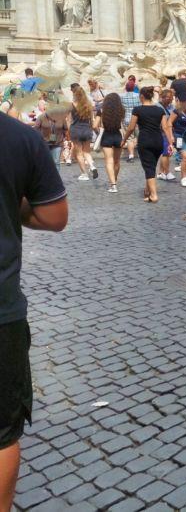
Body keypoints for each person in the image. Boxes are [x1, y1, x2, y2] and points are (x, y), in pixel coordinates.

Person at [0, 111, 68, 512]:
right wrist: (15, 209)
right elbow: (54, 215)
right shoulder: (19, 138)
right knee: (3, 433)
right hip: (1, 312)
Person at [122, 86, 174, 203]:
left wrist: (124, 140)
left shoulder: (137, 110)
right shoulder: (159, 110)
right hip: (158, 141)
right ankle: (147, 191)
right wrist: (170, 142)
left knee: (149, 167)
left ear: (141, 96)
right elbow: (165, 127)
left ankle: (154, 195)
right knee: (151, 166)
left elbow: (131, 128)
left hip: (145, 141)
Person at [66, 85, 98, 181]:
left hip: (76, 130)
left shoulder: (71, 105)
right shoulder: (89, 105)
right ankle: (92, 166)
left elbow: (68, 120)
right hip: (87, 129)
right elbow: (92, 120)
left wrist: (68, 131)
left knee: (79, 154)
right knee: (87, 152)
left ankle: (84, 174)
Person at [97, 93, 125, 193]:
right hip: (118, 136)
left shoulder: (101, 110)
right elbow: (122, 123)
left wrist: (98, 131)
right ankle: (115, 180)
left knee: (109, 161)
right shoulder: (121, 110)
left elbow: (95, 125)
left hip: (107, 136)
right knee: (117, 161)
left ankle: (113, 185)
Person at [33, 105, 66, 169]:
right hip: (44, 143)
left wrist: (63, 138)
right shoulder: (41, 117)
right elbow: (36, 129)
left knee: (56, 162)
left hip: (57, 143)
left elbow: (65, 129)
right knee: (45, 162)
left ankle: (56, 178)